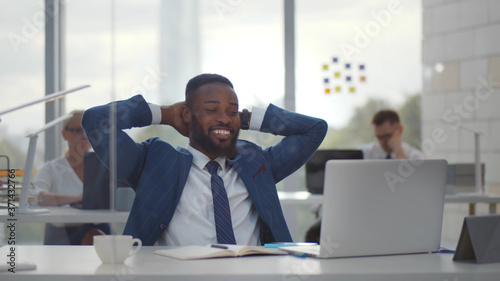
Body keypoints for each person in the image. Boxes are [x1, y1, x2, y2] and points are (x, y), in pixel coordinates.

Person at [82, 73, 328, 246]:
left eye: (231, 111)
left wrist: (246, 119)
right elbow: (96, 121)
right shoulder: (155, 162)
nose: (223, 118)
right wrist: (165, 114)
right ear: (187, 114)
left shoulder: (255, 163)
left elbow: (314, 129)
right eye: (212, 110)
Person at [32, 110, 110, 245]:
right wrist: (77, 199)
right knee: (96, 239)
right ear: (64, 134)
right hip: (65, 234)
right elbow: (35, 197)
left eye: (89, 130)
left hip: (100, 230)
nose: (85, 136)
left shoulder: (106, 167)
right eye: (78, 130)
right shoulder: (52, 169)